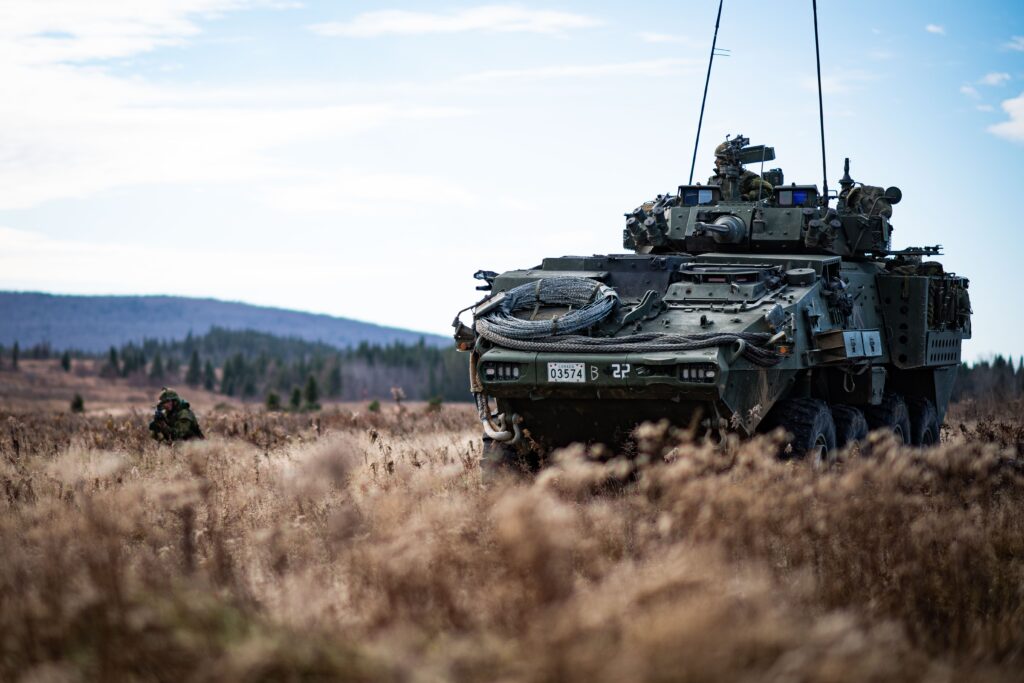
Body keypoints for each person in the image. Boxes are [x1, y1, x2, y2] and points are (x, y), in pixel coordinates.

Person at [709, 141, 774, 201]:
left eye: (719, 158)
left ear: (729, 160)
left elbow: (767, 189)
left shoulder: (747, 177)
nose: (715, 161)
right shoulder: (713, 180)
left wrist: (746, 197)